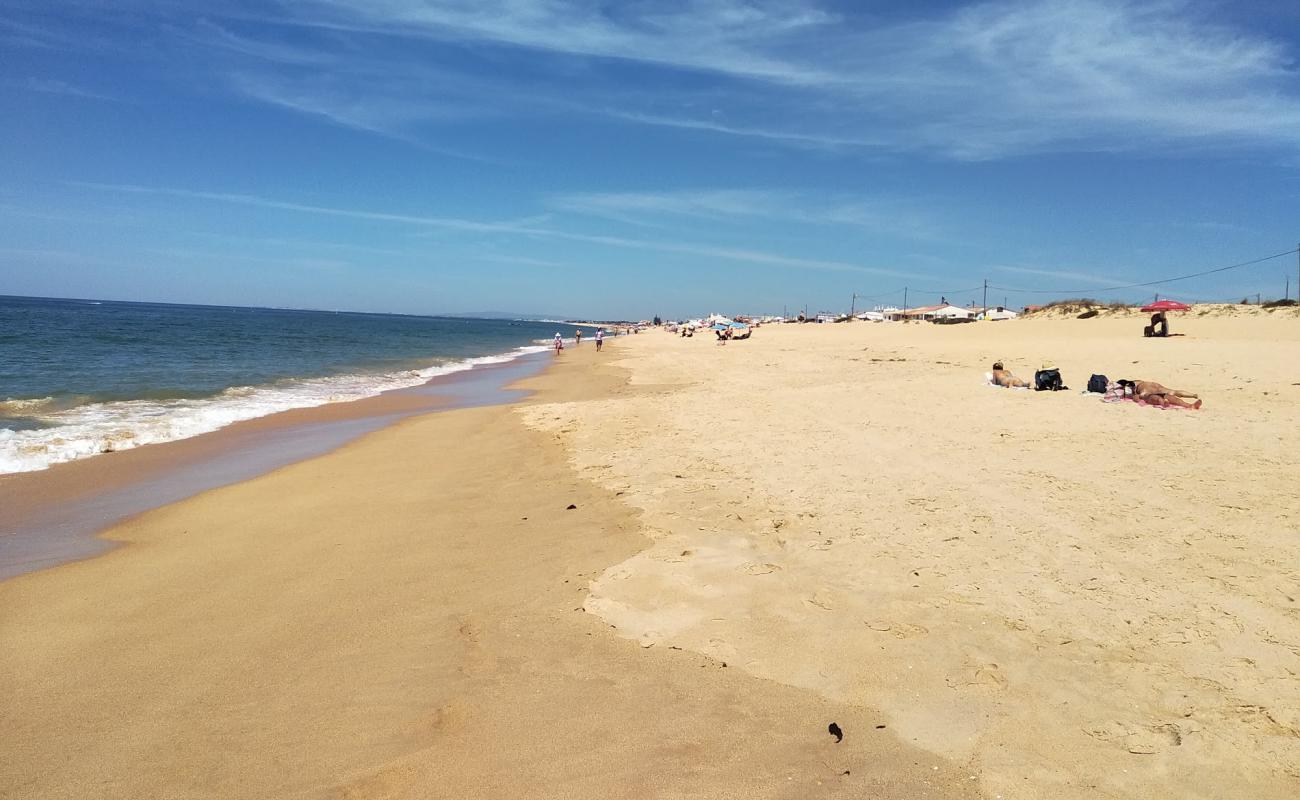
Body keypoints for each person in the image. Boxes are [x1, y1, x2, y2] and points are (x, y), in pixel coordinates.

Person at [1128, 379, 1201, 409]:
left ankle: (1164, 403)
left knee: (1151, 396)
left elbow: (1135, 397)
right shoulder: (1141, 382)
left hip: (1146, 389)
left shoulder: (1132, 386)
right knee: (1173, 392)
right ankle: (1192, 397)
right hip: (1157, 386)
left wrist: (1140, 397)